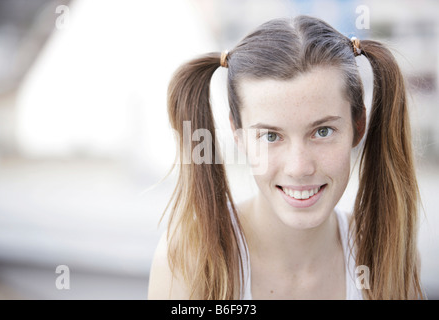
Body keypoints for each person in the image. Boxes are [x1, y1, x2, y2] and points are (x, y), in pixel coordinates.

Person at [148, 15, 424, 300]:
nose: (299, 167)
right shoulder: (188, 261)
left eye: (323, 131)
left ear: (358, 125)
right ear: (239, 136)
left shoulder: (388, 256)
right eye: (270, 136)